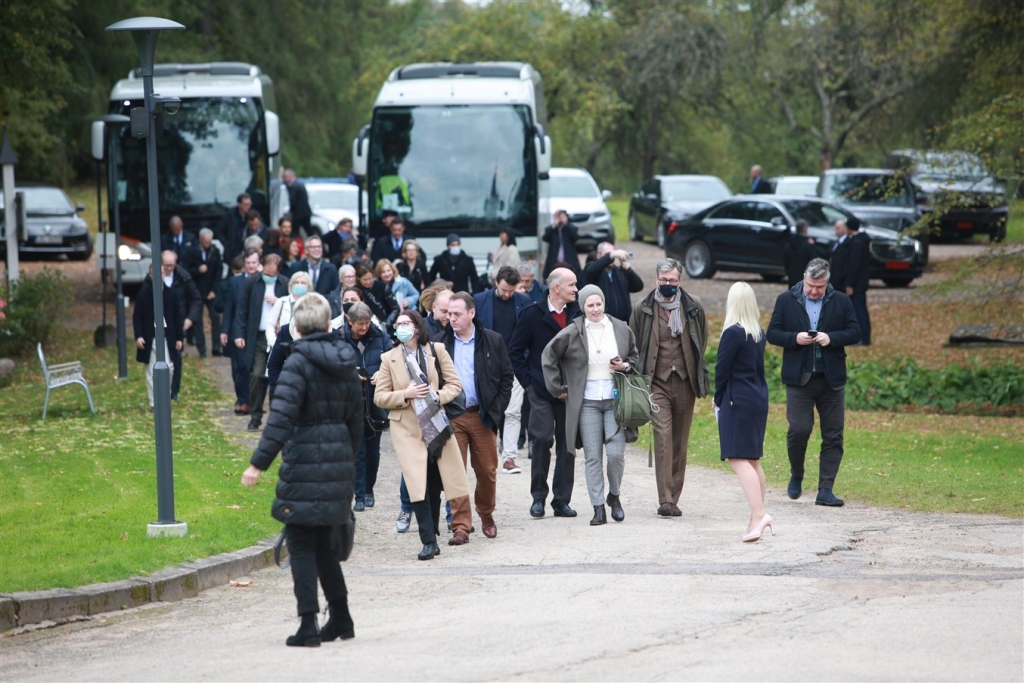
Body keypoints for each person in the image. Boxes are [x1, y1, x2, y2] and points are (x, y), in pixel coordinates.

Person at [241, 292, 362, 648]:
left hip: (305, 462)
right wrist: (345, 460)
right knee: (324, 545)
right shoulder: (346, 359)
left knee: (302, 545)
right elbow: (357, 419)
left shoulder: (296, 362)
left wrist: (257, 463)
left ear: (295, 327)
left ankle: (309, 623)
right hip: (338, 461)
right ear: (328, 324)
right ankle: (340, 617)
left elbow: (280, 419)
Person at [373, 310, 473, 560]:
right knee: (417, 484)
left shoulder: (436, 350)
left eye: (406, 323)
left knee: (437, 482)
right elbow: (380, 397)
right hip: (406, 428)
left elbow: (454, 384)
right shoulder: (388, 358)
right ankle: (428, 541)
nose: (402, 327)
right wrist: (405, 393)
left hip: (436, 424)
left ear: (417, 327)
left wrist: (437, 396)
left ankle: (435, 527)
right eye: (398, 324)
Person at [766, 257, 861, 507]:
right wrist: (795, 338)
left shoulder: (840, 300)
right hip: (799, 378)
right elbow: (772, 333)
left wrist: (832, 338)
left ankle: (825, 489)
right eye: (810, 285)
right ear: (804, 278)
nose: (813, 291)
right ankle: (797, 474)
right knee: (799, 429)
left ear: (827, 283)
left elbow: (855, 331)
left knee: (833, 435)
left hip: (832, 379)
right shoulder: (787, 299)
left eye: (819, 286)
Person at [542, 284, 639, 526]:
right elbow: (549, 354)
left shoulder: (620, 327)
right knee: (593, 457)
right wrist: (557, 387)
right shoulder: (574, 331)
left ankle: (614, 496)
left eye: (599, 304)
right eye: (590, 305)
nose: (595, 309)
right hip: (587, 403)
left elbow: (635, 357)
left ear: (604, 304)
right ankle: (598, 507)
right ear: (583, 307)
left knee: (616, 454)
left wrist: (624, 366)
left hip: (616, 400)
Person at [628, 258, 710, 517]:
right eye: (663, 281)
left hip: (685, 382)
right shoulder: (642, 308)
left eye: (672, 281)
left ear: (679, 281)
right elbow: (634, 342)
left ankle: (675, 497)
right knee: (662, 437)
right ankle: (665, 500)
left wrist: (692, 369)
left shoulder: (693, 306)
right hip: (656, 382)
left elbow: (701, 339)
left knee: (679, 442)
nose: (667, 285)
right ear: (656, 280)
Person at [437, 292, 514, 542]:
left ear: (472, 313)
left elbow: (506, 377)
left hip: (482, 416)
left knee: (487, 471)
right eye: (449, 314)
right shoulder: (440, 344)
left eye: (457, 314)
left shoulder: (492, 340)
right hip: (453, 417)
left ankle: (486, 513)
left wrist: (496, 409)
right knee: (454, 472)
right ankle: (460, 525)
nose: (452, 318)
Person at [508, 267, 581, 518]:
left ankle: (561, 500)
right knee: (540, 440)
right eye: (571, 285)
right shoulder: (532, 314)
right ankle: (538, 497)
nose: (576, 289)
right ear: (556, 288)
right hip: (540, 389)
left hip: (571, 390)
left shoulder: (579, 313)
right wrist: (528, 383)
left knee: (567, 444)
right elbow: (515, 351)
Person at [714, 282, 772, 541]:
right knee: (752, 459)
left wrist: (718, 399)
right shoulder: (758, 332)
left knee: (738, 457)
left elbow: (722, 370)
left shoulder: (733, 333)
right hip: (758, 398)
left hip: (737, 400)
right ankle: (755, 518)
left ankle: (759, 515)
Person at [474, 266, 531, 474]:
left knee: (513, 411)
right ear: (496, 282)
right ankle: (485, 455)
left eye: (512, 291)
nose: (507, 294)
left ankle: (509, 457)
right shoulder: (479, 300)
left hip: (514, 363)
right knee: (487, 408)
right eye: (504, 289)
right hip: (486, 363)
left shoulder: (523, 302)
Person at [341, 302, 392, 513]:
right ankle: (359, 495)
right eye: (360, 324)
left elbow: (393, 360)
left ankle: (369, 489)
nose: (364, 328)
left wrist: (383, 371)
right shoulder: (338, 339)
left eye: (367, 323)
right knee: (357, 452)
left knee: (373, 452)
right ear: (349, 322)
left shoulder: (380, 337)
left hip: (376, 403)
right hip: (350, 404)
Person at [234, 254, 289, 431]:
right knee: (257, 375)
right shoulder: (252, 282)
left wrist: (278, 302)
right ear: (261, 266)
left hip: (279, 336)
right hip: (257, 335)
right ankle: (256, 415)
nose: (270, 276)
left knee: (277, 376)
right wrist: (239, 333)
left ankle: (276, 418)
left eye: (273, 274)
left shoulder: (285, 283)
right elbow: (241, 309)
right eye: (267, 272)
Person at [132, 268, 184, 410]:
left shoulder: (171, 294)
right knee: (151, 371)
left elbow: (177, 317)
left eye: (160, 273)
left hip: (168, 337)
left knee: (170, 368)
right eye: (155, 273)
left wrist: (180, 337)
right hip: (150, 338)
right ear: (150, 274)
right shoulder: (143, 294)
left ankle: (165, 399)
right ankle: (154, 402)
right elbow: (137, 317)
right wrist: (139, 336)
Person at [220, 249, 260, 414]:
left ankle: (255, 401)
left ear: (259, 264)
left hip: (258, 332)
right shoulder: (235, 283)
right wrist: (224, 330)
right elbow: (229, 308)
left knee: (257, 369)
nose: (251, 266)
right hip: (238, 330)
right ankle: (244, 401)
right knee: (241, 367)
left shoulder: (263, 281)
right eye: (248, 263)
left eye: (254, 263)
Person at [160, 250, 202, 401]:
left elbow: (196, 298)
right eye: (166, 265)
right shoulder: (155, 277)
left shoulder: (183, 276)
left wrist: (190, 319)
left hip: (178, 323)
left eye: (172, 265)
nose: (170, 268)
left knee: (176, 357)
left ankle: (174, 390)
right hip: (160, 322)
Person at [182, 228, 223, 358]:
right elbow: (186, 270)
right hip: (196, 291)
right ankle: (202, 349)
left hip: (210, 290)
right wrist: (197, 270)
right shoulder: (191, 252)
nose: (207, 244)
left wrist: (214, 290)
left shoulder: (214, 252)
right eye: (205, 242)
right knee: (197, 321)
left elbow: (218, 272)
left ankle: (217, 347)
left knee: (216, 318)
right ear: (200, 240)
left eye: (209, 242)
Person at [582, 242, 644, 322]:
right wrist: (611, 255)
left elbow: (638, 286)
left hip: (623, 323)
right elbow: (590, 271)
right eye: (609, 254)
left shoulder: (619, 271)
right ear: (599, 256)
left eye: (614, 255)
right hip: (603, 321)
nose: (612, 258)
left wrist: (629, 270)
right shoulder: (594, 270)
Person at [843, 217, 872, 346]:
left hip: (857, 283)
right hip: (861, 281)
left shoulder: (856, 243)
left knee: (858, 310)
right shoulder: (862, 241)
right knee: (860, 309)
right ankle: (864, 336)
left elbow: (854, 265)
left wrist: (849, 284)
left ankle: (863, 337)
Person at [355, 263, 399, 332]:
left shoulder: (382, 286)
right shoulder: (355, 291)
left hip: (387, 326)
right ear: (358, 278)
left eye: (370, 278)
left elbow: (395, 308)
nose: (368, 282)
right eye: (365, 280)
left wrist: (386, 323)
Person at [542, 210, 580, 279]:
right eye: (558, 217)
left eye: (562, 217)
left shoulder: (571, 228)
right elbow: (545, 238)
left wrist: (566, 224)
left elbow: (575, 237)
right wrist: (554, 225)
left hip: (569, 261)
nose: (560, 219)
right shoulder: (551, 229)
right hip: (554, 261)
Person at [784, 219, 817, 288]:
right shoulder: (808, 245)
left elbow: (786, 261)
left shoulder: (789, 244)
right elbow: (813, 260)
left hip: (792, 276)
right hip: (805, 277)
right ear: (805, 229)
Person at [218, 192, 251, 259]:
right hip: (232, 250)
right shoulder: (230, 216)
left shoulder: (252, 215)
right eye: (246, 204)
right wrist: (227, 244)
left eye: (249, 204)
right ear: (239, 204)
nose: (248, 207)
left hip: (247, 249)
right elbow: (219, 231)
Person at [283, 169, 313, 237]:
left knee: (294, 232)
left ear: (291, 176)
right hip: (305, 213)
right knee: (308, 230)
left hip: (298, 214)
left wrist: (290, 212)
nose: (284, 179)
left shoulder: (294, 186)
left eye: (286, 177)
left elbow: (293, 201)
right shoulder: (299, 185)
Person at [829, 218, 851, 293]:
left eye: (838, 228)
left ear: (845, 229)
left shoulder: (848, 243)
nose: (836, 230)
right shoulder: (835, 242)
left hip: (841, 280)